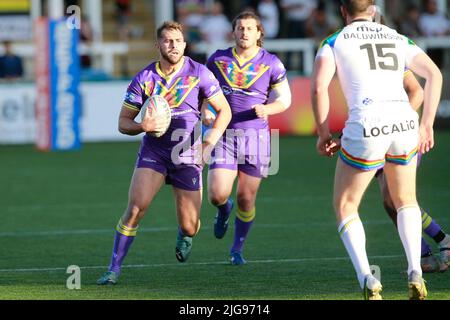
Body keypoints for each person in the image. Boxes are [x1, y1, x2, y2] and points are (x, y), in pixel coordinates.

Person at [311, 0, 442, 300]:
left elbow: (319, 88)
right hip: (404, 121)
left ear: (343, 11)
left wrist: (323, 134)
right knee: (406, 199)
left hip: (367, 122)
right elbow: (433, 74)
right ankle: (415, 271)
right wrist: (428, 124)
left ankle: (367, 277)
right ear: (372, 10)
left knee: (346, 205)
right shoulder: (396, 37)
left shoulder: (334, 41)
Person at [97, 21, 232, 285]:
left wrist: (207, 144)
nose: (173, 45)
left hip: (188, 156)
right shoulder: (145, 78)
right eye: (168, 41)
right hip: (154, 153)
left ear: (184, 44)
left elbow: (224, 111)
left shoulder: (200, 74)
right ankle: (113, 268)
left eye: (178, 41)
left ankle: (189, 231)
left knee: (190, 225)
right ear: (158, 45)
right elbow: (123, 122)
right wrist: (141, 126)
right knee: (136, 208)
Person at [203, 11, 291, 265]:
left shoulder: (272, 63)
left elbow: (285, 99)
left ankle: (236, 250)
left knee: (246, 198)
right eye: (240, 28)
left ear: (259, 33)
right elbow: (203, 94)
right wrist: (207, 111)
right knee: (217, 194)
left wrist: (269, 109)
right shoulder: (217, 60)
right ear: (234, 31)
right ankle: (223, 210)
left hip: (257, 139)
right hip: (225, 135)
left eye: (250, 28)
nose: (244, 32)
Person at [376, 70, 450, 273]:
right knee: (390, 203)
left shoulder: (389, 58)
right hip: (375, 136)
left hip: (400, 135)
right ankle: (425, 254)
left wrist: (392, 124)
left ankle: (441, 242)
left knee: (399, 199)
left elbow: (417, 92)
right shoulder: (356, 63)